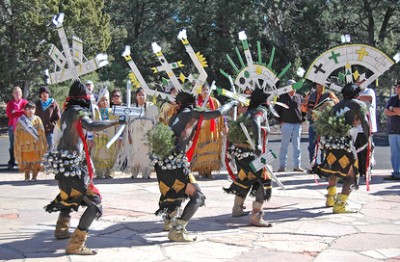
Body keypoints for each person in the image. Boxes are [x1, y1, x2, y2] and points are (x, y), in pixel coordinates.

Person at [43, 80, 123, 255]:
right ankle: (76, 244)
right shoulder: (77, 112)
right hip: (71, 167)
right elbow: (92, 126)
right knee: (95, 205)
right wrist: (114, 122)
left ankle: (61, 229)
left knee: (71, 196)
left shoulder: (65, 113)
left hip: (65, 166)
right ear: (83, 98)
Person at [149, 91, 237, 242]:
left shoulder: (175, 117)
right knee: (198, 197)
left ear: (179, 104)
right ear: (191, 103)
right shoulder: (191, 114)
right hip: (176, 164)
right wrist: (232, 102)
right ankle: (177, 230)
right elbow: (218, 112)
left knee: (176, 191)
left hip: (164, 163)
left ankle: (169, 220)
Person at [314, 83, 370, 213]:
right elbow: (365, 124)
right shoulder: (358, 104)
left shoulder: (336, 105)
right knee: (352, 174)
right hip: (345, 144)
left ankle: (330, 198)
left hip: (331, 143)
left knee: (334, 170)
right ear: (356, 94)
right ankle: (340, 204)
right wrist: (368, 139)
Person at [224, 88, 272, 226]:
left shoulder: (247, 113)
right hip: (253, 154)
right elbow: (256, 122)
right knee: (263, 181)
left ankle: (237, 208)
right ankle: (256, 216)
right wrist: (257, 144)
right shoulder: (259, 111)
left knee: (245, 178)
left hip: (241, 154)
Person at [188, 83, 227, 178]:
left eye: (207, 89)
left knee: (211, 151)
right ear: (199, 91)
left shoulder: (215, 102)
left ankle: (209, 171)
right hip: (200, 133)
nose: (205, 92)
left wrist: (225, 125)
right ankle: (201, 171)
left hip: (213, 132)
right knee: (200, 152)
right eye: (203, 90)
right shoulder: (196, 103)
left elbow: (222, 114)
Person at [303, 83, 339, 167]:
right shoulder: (310, 95)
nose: (320, 86)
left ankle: (324, 164)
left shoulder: (329, 94)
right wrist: (305, 101)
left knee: (324, 144)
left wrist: (328, 103)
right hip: (313, 123)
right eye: (319, 84)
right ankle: (312, 163)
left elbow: (337, 102)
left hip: (324, 123)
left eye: (322, 85)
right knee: (312, 145)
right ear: (316, 85)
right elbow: (304, 109)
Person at [126, 87, 159, 178]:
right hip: (135, 136)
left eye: (143, 95)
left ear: (146, 96)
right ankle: (134, 173)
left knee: (146, 155)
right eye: (139, 95)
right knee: (135, 154)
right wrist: (129, 135)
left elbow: (156, 120)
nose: (141, 97)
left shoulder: (152, 107)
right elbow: (128, 123)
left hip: (148, 135)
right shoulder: (131, 108)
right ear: (136, 96)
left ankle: (146, 173)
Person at [275, 80, 305, 172]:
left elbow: (304, 110)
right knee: (284, 145)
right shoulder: (281, 97)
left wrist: (302, 120)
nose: (293, 87)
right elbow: (276, 111)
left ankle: (297, 166)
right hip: (286, 124)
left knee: (297, 146)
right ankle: (282, 166)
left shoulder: (300, 97)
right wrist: (280, 121)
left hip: (297, 124)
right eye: (291, 86)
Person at [14, 101, 47, 181]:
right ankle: (27, 176)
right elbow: (17, 133)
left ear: (35, 110)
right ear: (25, 110)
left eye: (32, 109)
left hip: (36, 145)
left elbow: (41, 132)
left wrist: (42, 143)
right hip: (24, 145)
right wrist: (17, 142)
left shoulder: (38, 119)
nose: (30, 110)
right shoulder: (21, 120)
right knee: (26, 161)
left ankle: (34, 176)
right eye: (28, 109)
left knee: (36, 161)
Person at [91, 88, 119, 179]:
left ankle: (108, 172)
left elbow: (117, 123)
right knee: (99, 154)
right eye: (102, 100)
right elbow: (92, 123)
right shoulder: (96, 111)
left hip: (110, 137)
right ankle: (99, 173)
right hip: (99, 137)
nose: (105, 102)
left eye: (106, 100)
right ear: (99, 101)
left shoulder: (112, 111)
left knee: (109, 155)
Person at [355, 85, 377, 180]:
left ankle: (367, 171)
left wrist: (355, 97)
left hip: (367, 127)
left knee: (367, 151)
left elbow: (369, 98)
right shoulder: (354, 91)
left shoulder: (369, 91)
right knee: (356, 152)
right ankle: (358, 172)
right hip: (356, 128)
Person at [5, 86, 28, 170]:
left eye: (19, 92)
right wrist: (20, 112)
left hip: (23, 127)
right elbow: (8, 114)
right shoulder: (10, 104)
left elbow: (26, 112)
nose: (17, 94)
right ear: (13, 94)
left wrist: (15, 112)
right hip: (12, 127)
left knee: (23, 144)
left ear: (21, 93)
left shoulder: (25, 102)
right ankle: (12, 161)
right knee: (12, 145)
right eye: (15, 92)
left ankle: (23, 161)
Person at [35, 86, 61, 152]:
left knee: (51, 143)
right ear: (40, 95)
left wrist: (52, 125)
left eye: (46, 93)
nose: (45, 94)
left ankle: (48, 159)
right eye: (43, 93)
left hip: (49, 130)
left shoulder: (53, 103)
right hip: (39, 130)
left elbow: (58, 118)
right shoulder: (37, 104)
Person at [383, 80, 400, 180]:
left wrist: (392, 108)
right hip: (393, 130)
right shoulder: (392, 99)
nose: (397, 88)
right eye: (397, 87)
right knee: (394, 153)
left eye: (399, 87)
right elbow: (386, 112)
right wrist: (396, 111)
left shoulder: (392, 103)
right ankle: (396, 172)